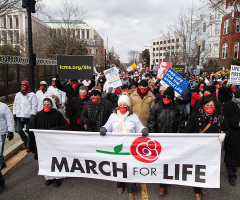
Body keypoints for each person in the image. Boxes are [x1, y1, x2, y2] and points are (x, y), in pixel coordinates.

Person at [100, 94, 149, 200]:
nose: (122, 106)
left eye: (124, 105)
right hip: (116, 146)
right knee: (118, 167)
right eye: (120, 104)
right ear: (118, 105)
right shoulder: (113, 116)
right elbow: (108, 126)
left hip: (130, 147)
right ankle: (120, 184)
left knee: (129, 168)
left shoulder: (133, 116)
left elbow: (140, 127)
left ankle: (131, 190)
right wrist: (103, 128)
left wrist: (143, 129)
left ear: (128, 106)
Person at [185, 95, 227, 200]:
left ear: (216, 106)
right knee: (198, 169)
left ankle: (202, 185)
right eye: (207, 105)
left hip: (213, 150)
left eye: (212, 105)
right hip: (198, 148)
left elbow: (227, 129)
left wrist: (224, 134)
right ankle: (197, 191)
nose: (209, 107)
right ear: (202, 106)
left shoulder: (220, 117)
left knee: (207, 169)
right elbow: (187, 132)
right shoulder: (195, 116)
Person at [147, 86, 185, 196]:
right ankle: (162, 185)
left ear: (173, 98)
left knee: (171, 160)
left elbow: (181, 125)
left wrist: (177, 137)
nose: (166, 99)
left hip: (172, 140)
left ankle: (170, 178)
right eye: (165, 97)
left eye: (169, 97)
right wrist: (154, 137)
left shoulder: (178, 109)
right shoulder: (156, 107)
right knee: (161, 162)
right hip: (159, 139)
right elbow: (151, 122)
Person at [29, 97, 67, 187]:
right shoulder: (38, 115)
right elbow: (34, 127)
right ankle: (48, 177)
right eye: (45, 105)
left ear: (52, 105)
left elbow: (64, 126)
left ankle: (57, 178)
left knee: (55, 160)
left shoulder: (57, 114)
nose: (46, 106)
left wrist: (54, 130)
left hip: (54, 142)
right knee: (45, 160)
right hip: (43, 144)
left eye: (48, 105)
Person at [13, 81, 38, 150]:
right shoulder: (18, 95)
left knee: (29, 131)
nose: (23, 87)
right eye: (22, 85)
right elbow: (15, 104)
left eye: (24, 85)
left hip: (28, 116)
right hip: (19, 115)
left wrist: (33, 115)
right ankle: (26, 141)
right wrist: (14, 113)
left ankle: (29, 146)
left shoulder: (32, 95)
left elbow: (34, 106)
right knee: (18, 130)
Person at [223, 88, 240, 186]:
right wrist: (237, 123)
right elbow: (225, 118)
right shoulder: (228, 105)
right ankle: (232, 175)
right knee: (232, 155)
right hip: (232, 134)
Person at [0, 102, 14, 171]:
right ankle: (2, 162)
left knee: (0, 151)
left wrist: (10, 131)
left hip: (1, 132)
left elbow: (9, 118)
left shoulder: (3, 106)